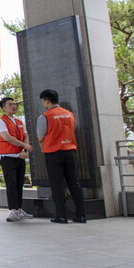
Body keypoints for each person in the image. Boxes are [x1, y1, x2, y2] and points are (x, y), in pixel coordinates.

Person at [37, 89, 86, 223]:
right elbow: (73, 129)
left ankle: (62, 216)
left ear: (46, 100)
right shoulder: (69, 114)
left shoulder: (45, 116)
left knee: (57, 184)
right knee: (74, 183)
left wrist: (43, 148)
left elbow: (40, 137)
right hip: (70, 151)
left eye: (43, 101)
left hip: (53, 152)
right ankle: (81, 215)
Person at [0, 97, 34, 222]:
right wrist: (24, 145)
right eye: (10, 104)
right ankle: (13, 210)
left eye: (15, 104)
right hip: (7, 157)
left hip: (19, 155)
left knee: (19, 183)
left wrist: (24, 150)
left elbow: (26, 135)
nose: (14, 106)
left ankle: (19, 208)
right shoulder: (0, 121)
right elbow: (7, 137)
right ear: (3, 107)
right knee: (11, 183)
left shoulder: (19, 121)